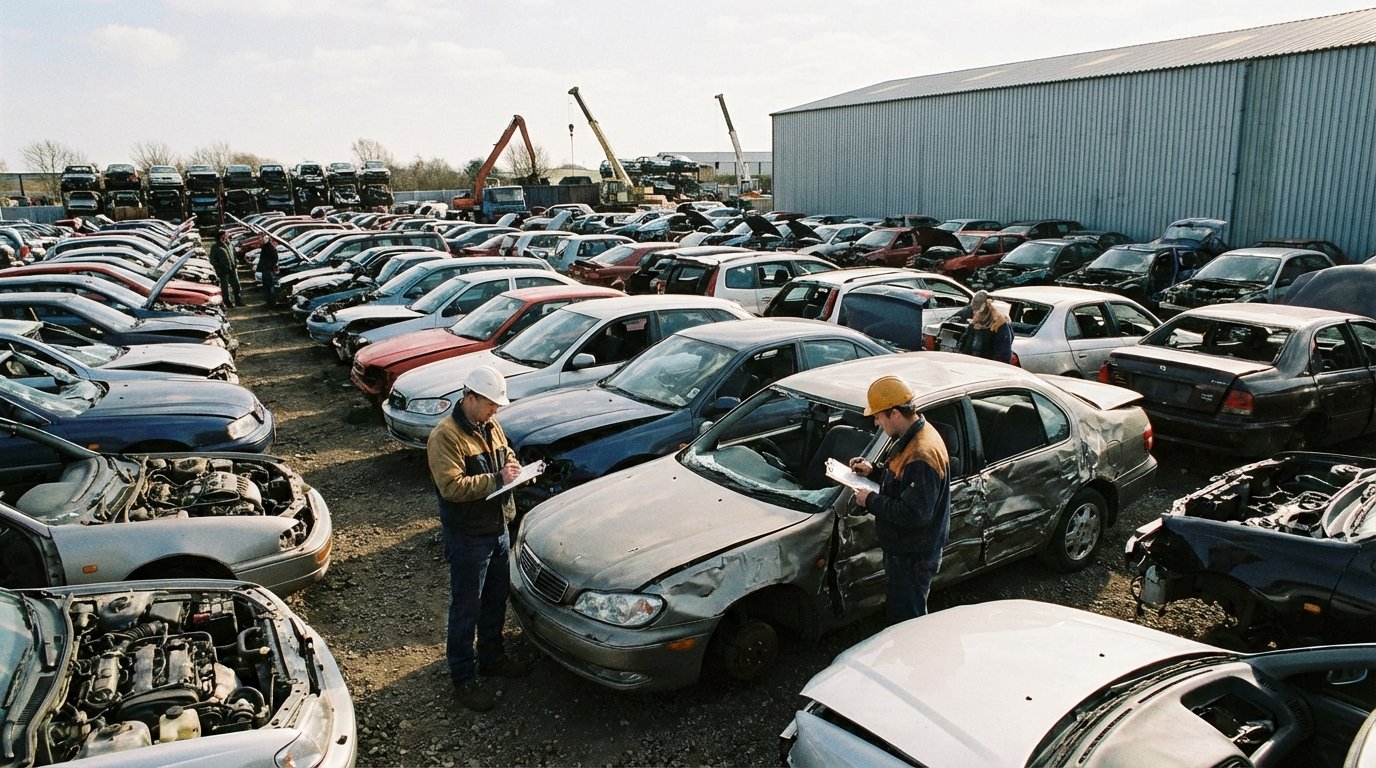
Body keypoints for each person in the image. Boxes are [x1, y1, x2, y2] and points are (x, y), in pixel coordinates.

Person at [426, 365, 531, 711]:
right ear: (470, 398)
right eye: (490, 405)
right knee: (465, 608)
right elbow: (452, 487)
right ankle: (463, 679)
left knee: (495, 600)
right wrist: (498, 480)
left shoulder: (490, 424)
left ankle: (491, 657)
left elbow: (507, 454)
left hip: (498, 530)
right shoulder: (445, 436)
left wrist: (515, 470)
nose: (495, 411)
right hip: (468, 536)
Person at [847, 375, 951, 623]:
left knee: (908, 619)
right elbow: (904, 483)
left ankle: (910, 658)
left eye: (878, 416)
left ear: (894, 413)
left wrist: (870, 500)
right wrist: (874, 471)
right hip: (908, 551)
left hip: (913, 555)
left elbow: (914, 513)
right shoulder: (913, 438)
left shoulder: (921, 453)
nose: (875, 422)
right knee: (903, 609)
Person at [956, 290, 1013, 363]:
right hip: (970, 363)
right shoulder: (974, 323)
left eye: (978, 311)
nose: (976, 313)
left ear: (987, 305)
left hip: (987, 366)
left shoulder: (999, 324)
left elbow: (1003, 352)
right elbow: (964, 341)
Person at [208, 232, 241, 307]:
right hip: (223, 271)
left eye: (226, 236)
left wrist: (236, 263)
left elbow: (234, 255)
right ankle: (227, 303)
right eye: (224, 236)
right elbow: (212, 260)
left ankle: (238, 301)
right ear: (219, 237)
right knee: (225, 288)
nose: (226, 237)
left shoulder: (230, 245)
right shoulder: (215, 247)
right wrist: (219, 267)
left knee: (236, 286)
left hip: (232, 269)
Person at [258, 237, 279, 304]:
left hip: (267, 270)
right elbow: (275, 259)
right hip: (267, 269)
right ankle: (270, 301)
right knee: (268, 286)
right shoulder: (269, 247)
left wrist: (268, 266)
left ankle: (271, 301)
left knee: (269, 286)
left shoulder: (268, 248)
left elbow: (274, 259)